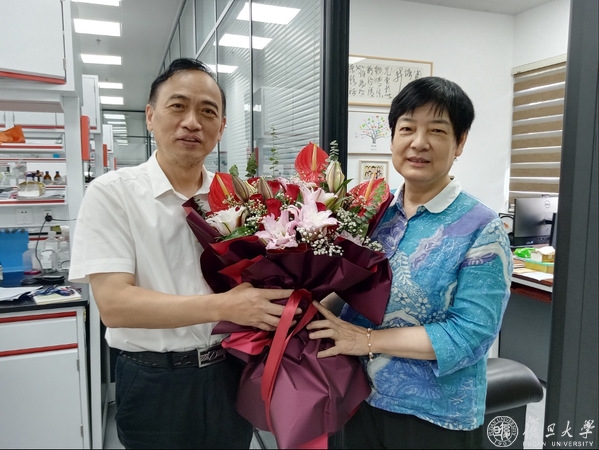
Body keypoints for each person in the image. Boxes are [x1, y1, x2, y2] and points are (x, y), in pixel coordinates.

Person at [69, 58, 294, 449]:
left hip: (229, 373)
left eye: (207, 112)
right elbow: (115, 306)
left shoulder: (240, 197)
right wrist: (226, 307)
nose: (192, 122)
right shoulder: (112, 193)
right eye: (178, 106)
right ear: (150, 116)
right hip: (155, 381)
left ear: (221, 127)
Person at [307, 76, 513, 449]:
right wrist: (303, 307)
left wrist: (366, 340)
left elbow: (470, 334)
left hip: (433, 417)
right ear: (392, 138)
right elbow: (350, 286)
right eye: (407, 128)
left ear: (460, 142)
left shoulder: (482, 227)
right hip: (354, 396)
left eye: (437, 130)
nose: (419, 142)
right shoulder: (373, 212)